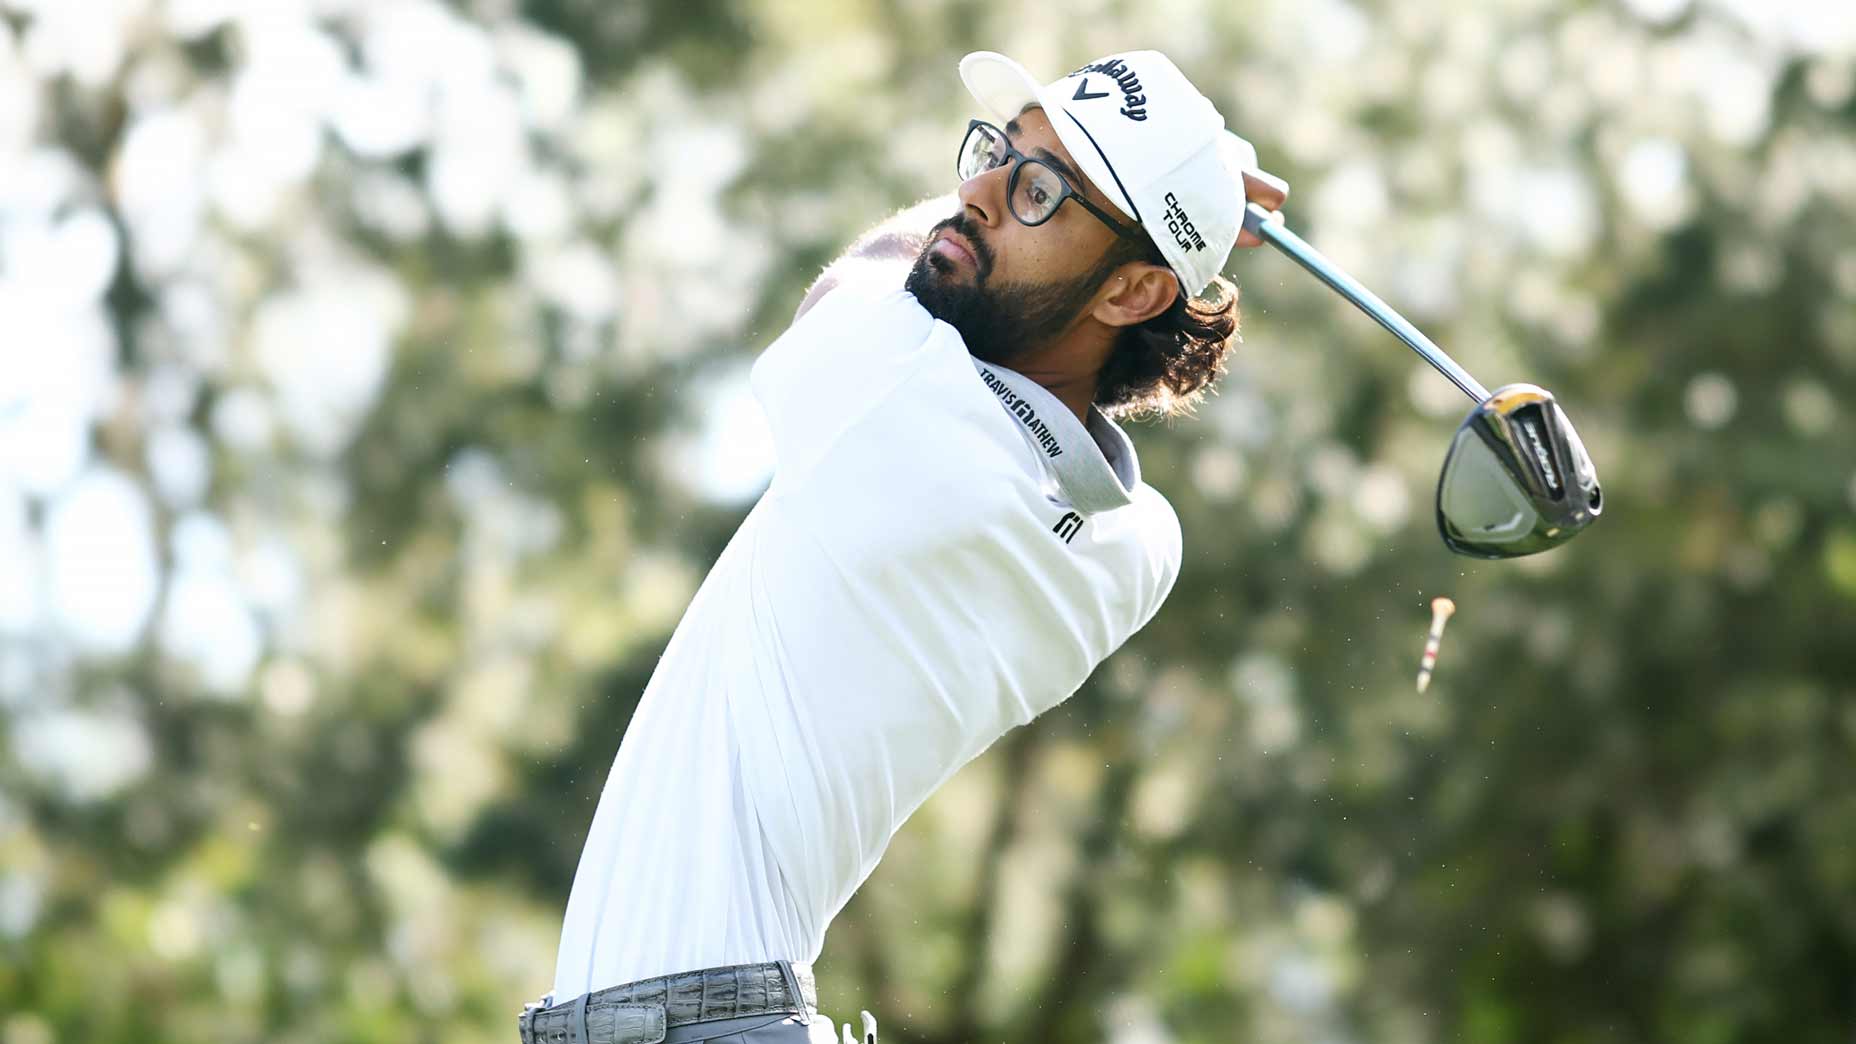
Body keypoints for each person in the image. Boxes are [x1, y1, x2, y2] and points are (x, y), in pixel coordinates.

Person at [517, 48, 1289, 1044]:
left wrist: (1201, 175)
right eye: (995, 154)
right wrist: (1176, 206)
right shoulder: (1134, 553)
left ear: (1131, 295)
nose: (974, 191)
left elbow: (884, 266)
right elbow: (1018, 307)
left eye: (1038, 189)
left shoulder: (892, 402)